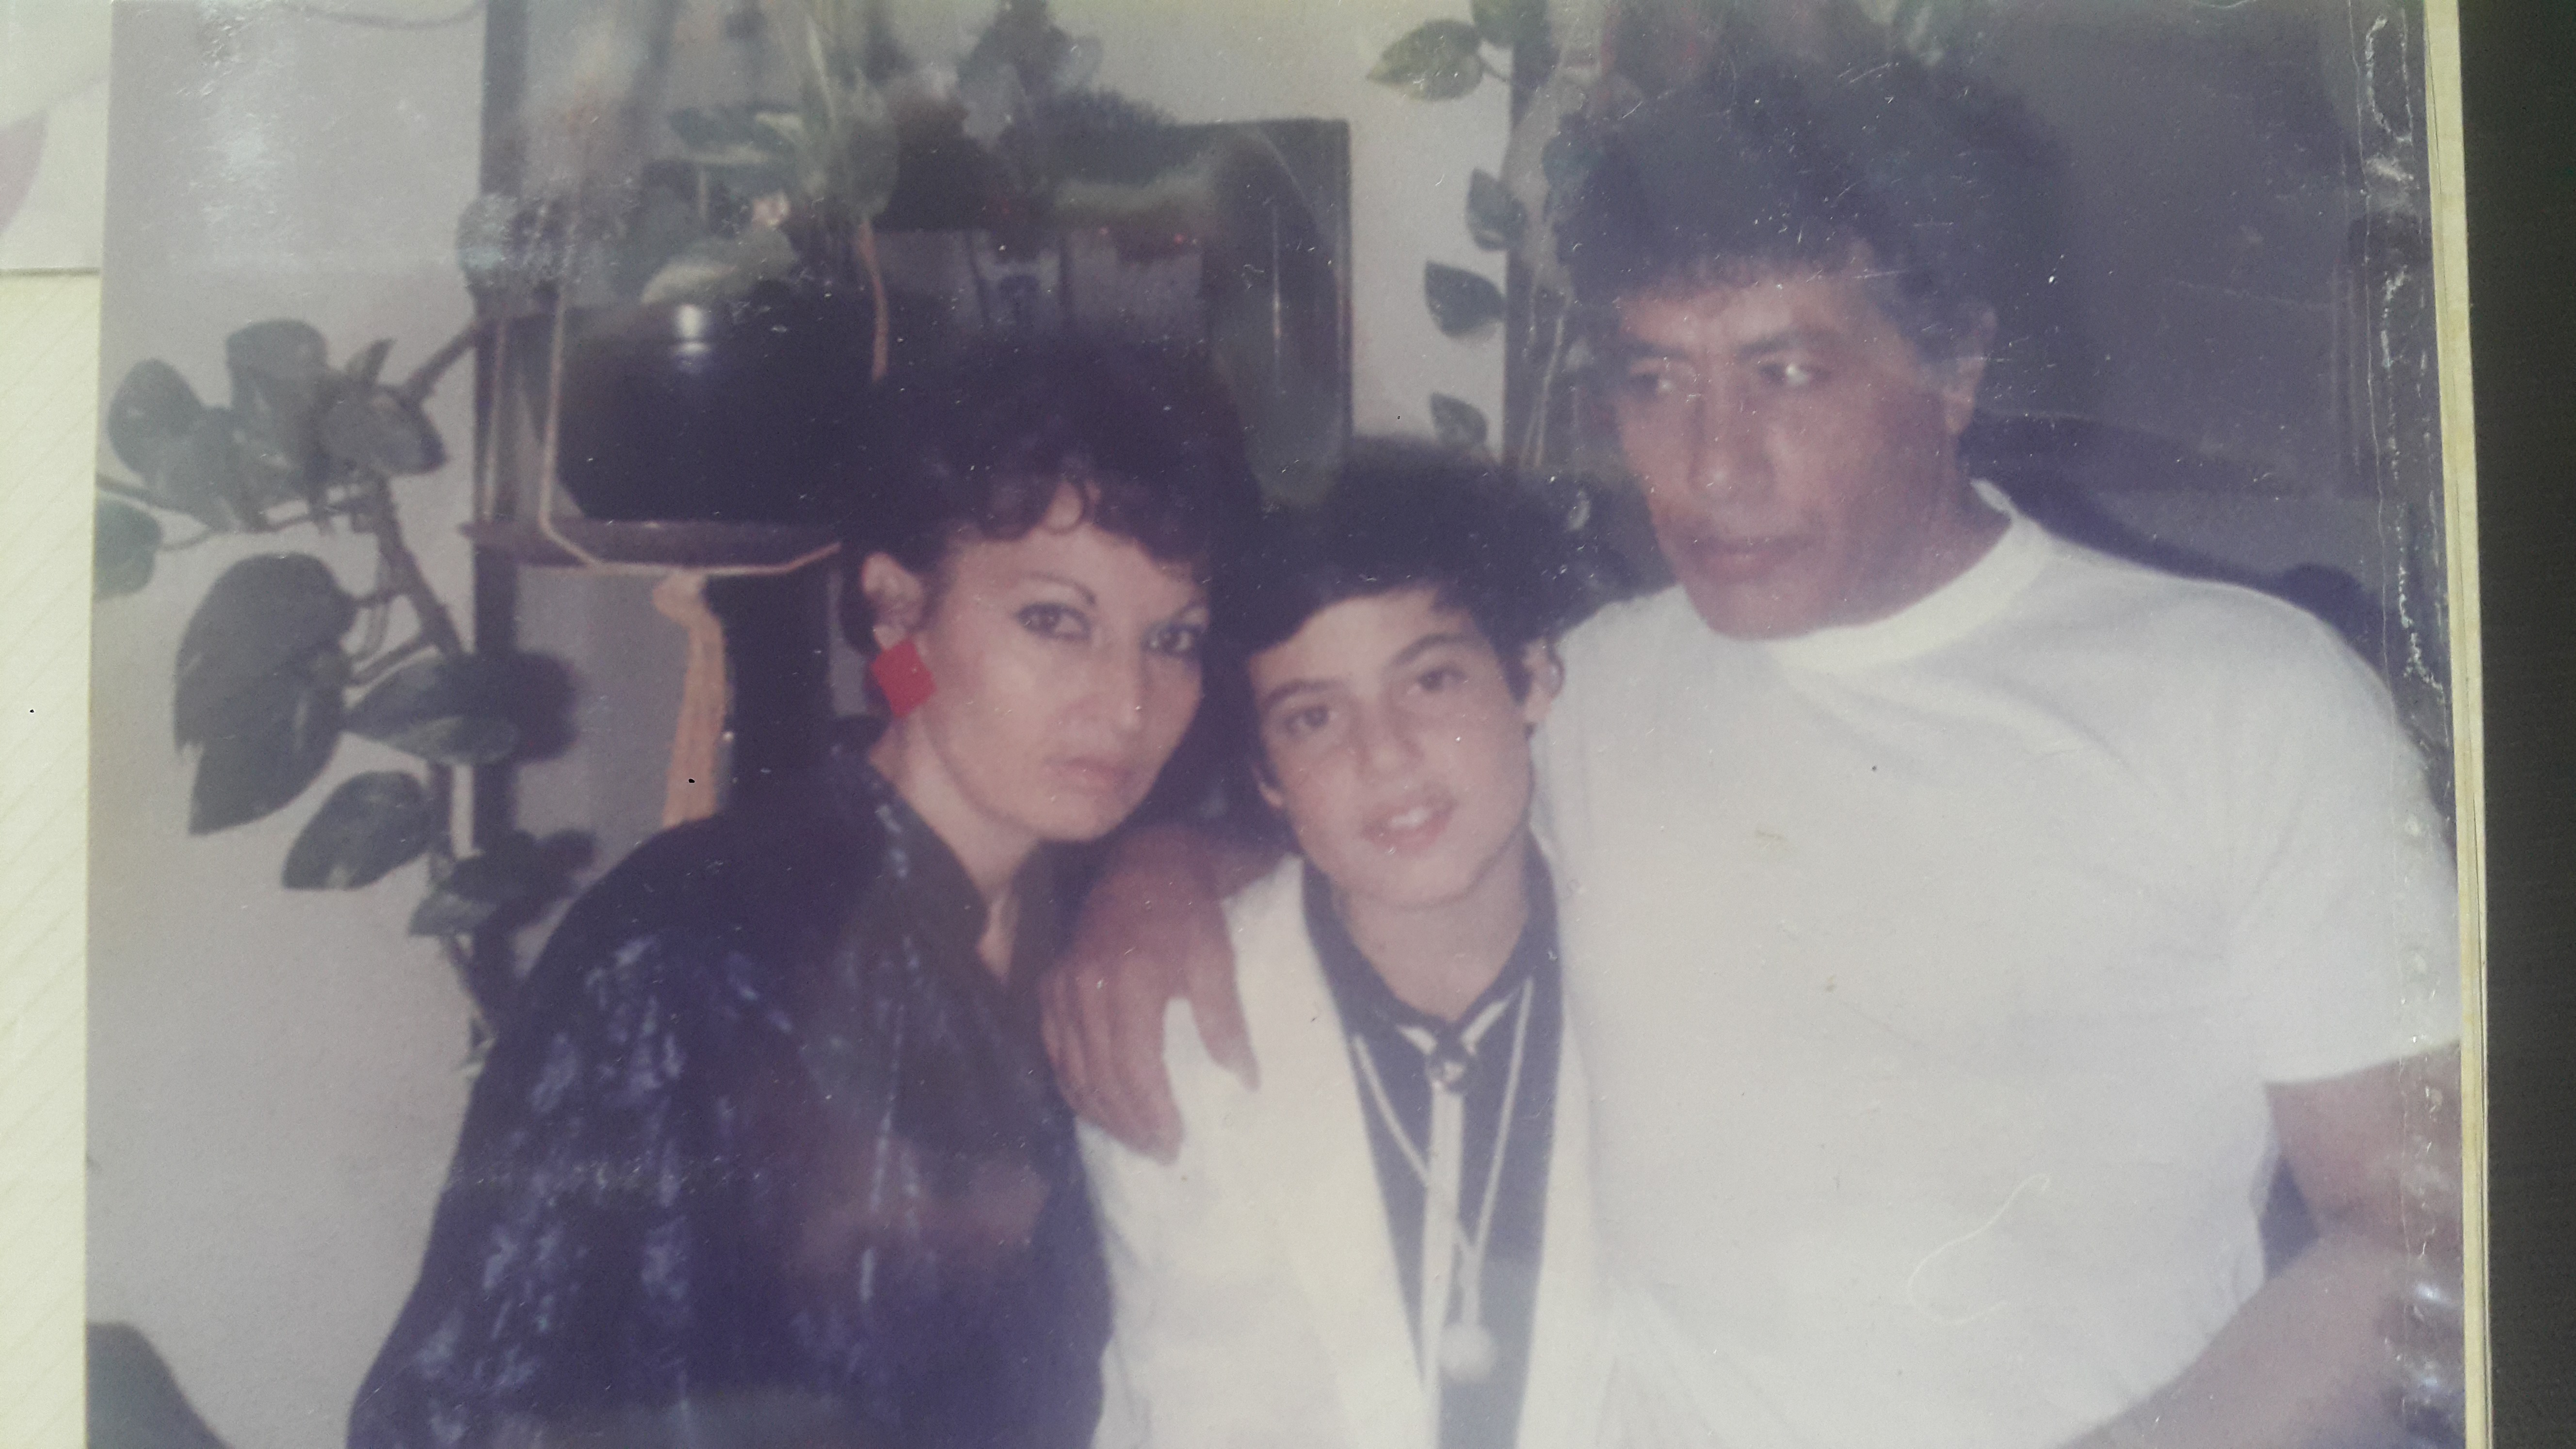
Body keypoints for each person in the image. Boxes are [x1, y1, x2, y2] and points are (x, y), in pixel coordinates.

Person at [1040, 55, 2463, 1449]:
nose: (1713, 464)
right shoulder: (1592, 686)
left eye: (1786, 372)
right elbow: (1372, 813)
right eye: (1658, 382)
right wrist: (1155, 872)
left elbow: (2429, 1226)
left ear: (1954, 367)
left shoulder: (2243, 698)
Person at [349, 339, 1256, 1449]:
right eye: (1055, 620)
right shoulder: (701, 946)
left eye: (1171, 639)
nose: (1126, 702)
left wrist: (1171, 868)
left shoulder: (1078, 921)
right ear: (896, 606)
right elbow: (468, 1411)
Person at [1084, 448, 1611, 1449]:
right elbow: (1181, 1407)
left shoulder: (1652, 954)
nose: (1385, 755)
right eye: (1314, 719)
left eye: (1432, 681)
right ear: (1268, 778)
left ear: (1533, 676)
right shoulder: (1178, 1033)